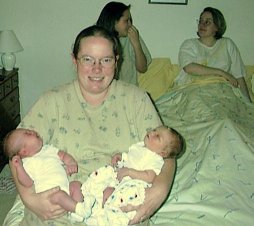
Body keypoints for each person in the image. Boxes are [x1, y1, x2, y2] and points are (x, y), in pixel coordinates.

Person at [4, 25, 175, 226]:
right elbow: (15, 154)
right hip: (61, 200)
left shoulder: (137, 100)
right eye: (87, 59)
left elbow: (166, 153)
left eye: (106, 60)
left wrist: (159, 191)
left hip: (117, 199)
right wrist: (30, 199)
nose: (97, 68)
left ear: (116, 62)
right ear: (74, 60)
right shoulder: (52, 101)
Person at [80, 125, 184, 226]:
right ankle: (95, 209)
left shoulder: (155, 159)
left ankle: (107, 218)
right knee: (103, 185)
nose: (151, 133)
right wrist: (121, 157)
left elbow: (149, 177)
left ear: (162, 153)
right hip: (121, 179)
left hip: (133, 186)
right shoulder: (140, 146)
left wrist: (129, 172)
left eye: (157, 136)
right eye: (154, 130)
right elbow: (131, 158)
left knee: (115, 200)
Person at [3, 128, 96, 222]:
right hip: (50, 197)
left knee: (76, 185)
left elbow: (63, 155)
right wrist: (19, 168)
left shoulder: (47, 149)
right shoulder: (27, 164)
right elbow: (27, 183)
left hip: (66, 190)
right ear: (24, 152)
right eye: (28, 134)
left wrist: (71, 163)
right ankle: (80, 209)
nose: (32, 131)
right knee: (59, 195)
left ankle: (77, 213)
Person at [174, 7, 251, 102]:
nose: (202, 24)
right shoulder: (189, 44)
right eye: (201, 21)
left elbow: (239, 76)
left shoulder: (227, 44)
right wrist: (222, 73)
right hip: (194, 91)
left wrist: (248, 103)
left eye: (208, 22)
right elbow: (189, 68)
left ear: (217, 27)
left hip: (222, 95)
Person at [96, 1, 152, 86]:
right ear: (114, 22)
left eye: (130, 20)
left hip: (127, 91)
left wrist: (136, 44)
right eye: (126, 21)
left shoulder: (132, 36)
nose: (130, 24)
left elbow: (142, 69)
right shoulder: (95, 38)